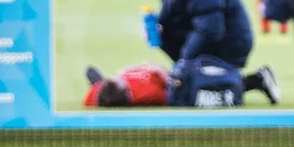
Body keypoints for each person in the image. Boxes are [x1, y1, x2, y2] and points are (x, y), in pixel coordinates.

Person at [82, 62, 279, 108]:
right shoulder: (143, 89)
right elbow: (158, 71)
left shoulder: (95, 96)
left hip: (174, 85)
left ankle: (257, 79)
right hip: (176, 84)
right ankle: (258, 79)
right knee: (213, 84)